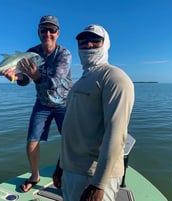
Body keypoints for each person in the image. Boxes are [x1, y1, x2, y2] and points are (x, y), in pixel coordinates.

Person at [59, 24, 135, 201]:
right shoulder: (80, 82)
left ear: (106, 44)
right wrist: (60, 164)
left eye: (95, 40)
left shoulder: (115, 78)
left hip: (93, 176)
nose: (88, 45)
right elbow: (73, 126)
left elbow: (116, 133)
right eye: (83, 41)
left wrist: (98, 184)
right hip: (71, 171)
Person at [0, 15, 72, 192]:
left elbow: (55, 81)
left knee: (71, 141)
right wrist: (16, 77)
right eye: (43, 30)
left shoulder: (64, 54)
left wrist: (36, 76)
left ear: (58, 33)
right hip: (42, 103)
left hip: (64, 103)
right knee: (32, 141)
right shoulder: (31, 52)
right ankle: (35, 176)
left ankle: (69, 174)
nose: (48, 33)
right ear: (38, 32)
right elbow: (25, 80)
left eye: (52, 30)